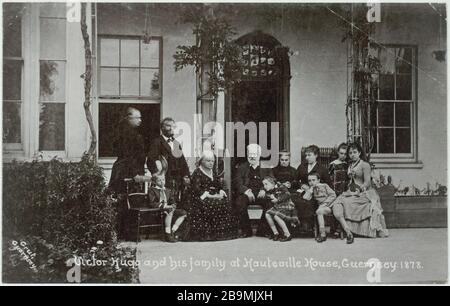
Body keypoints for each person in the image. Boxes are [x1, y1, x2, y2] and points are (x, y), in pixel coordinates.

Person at [332, 143, 389, 244]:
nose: (352, 155)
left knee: (347, 202)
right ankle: (347, 230)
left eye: (355, 152)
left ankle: (353, 232)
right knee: (337, 203)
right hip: (351, 191)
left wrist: (359, 190)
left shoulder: (365, 165)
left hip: (365, 192)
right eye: (350, 153)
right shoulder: (350, 165)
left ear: (359, 153)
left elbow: (367, 182)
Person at [189, 151, 238, 241]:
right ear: (202, 161)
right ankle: (209, 233)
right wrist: (214, 196)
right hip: (199, 198)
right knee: (213, 204)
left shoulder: (212, 172)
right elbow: (197, 190)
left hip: (212, 195)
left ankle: (222, 232)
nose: (211, 163)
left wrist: (220, 190)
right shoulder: (197, 173)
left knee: (225, 202)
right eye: (208, 161)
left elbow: (217, 185)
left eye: (212, 161)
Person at [233, 144, 273, 238]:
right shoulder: (241, 167)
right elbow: (237, 183)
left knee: (270, 202)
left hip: (261, 193)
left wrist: (264, 189)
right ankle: (246, 230)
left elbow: (272, 181)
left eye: (254, 154)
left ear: (259, 155)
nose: (252, 157)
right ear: (247, 155)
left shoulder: (266, 167)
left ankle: (262, 230)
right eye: (250, 154)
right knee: (239, 202)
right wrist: (246, 191)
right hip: (247, 193)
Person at [147, 117, 190, 202]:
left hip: (177, 181)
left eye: (173, 126)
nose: (171, 128)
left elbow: (182, 162)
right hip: (164, 180)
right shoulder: (157, 142)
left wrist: (186, 176)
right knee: (164, 204)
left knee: (177, 203)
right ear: (162, 128)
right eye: (168, 126)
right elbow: (151, 160)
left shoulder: (176, 143)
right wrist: (157, 175)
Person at [108, 107, 147, 195]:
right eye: (137, 118)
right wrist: (134, 173)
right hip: (127, 172)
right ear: (129, 118)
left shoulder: (133, 133)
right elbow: (127, 155)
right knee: (127, 198)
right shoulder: (126, 134)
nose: (140, 120)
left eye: (140, 118)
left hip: (132, 171)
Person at [295, 145, 331, 232]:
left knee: (309, 202)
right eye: (306, 155)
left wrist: (316, 187)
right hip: (303, 191)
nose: (307, 157)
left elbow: (328, 184)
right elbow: (295, 181)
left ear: (316, 155)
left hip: (317, 194)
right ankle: (299, 224)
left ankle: (308, 225)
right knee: (296, 200)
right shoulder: (302, 167)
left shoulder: (322, 169)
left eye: (309, 155)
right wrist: (302, 185)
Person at [148, 173, 187, 242]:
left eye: (163, 180)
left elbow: (172, 201)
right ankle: (168, 234)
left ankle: (173, 230)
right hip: (158, 210)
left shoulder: (168, 190)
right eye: (159, 180)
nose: (162, 182)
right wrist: (165, 206)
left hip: (169, 209)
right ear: (154, 182)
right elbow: (152, 203)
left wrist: (173, 205)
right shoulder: (152, 190)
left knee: (183, 213)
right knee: (169, 210)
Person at [302, 172, 337, 243]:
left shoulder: (324, 185)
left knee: (319, 211)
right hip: (321, 208)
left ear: (318, 180)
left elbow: (333, 195)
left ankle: (322, 234)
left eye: (313, 180)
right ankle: (322, 233)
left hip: (330, 206)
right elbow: (305, 198)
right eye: (309, 181)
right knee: (319, 211)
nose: (311, 182)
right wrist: (309, 191)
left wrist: (324, 204)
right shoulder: (311, 189)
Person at [263, 177, 299, 242]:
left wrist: (277, 200)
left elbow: (288, 195)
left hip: (286, 205)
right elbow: (268, 195)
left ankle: (287, 234)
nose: (264, 186)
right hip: (278, 206)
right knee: (267, 214)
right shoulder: (270, 190)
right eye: (264, 185)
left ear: (272, 183)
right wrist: (271, 196)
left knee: (276, 216)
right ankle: (276, 233)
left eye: (266, 184)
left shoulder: (281, 187)